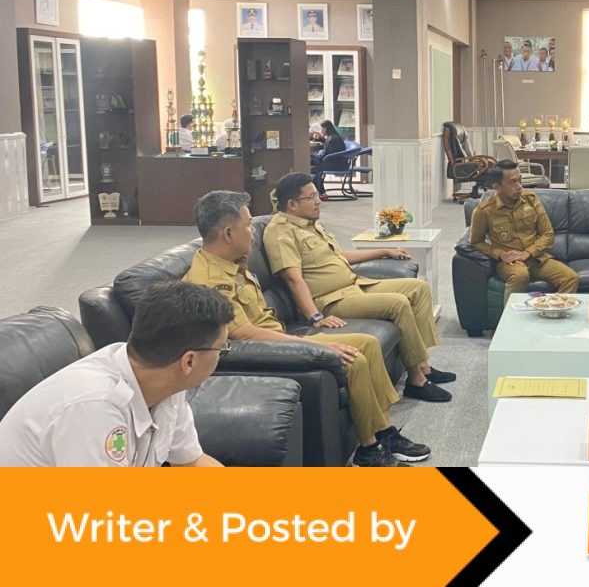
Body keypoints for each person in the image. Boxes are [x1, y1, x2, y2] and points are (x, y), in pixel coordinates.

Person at [184, 191, 428, 466]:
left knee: (368, 344)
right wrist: (317, 344)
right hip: (263, 347)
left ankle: (384, 431)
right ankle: (369, 450)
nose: (253, 232)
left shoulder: (233, 262)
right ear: (228, 233)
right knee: (352, 358)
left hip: (280, 335)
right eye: (248, 225)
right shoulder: (210, 281)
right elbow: (245, 333)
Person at [263, 173, 455, 403]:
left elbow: (339, 256)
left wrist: (384, 251)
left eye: (317, 195)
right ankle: (416, 380)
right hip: (331, 300)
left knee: (418, 287)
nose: (318, 201)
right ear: (292, 204)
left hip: (355, 284)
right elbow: (293, 279)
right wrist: (315, 317)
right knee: (398, 304)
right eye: (311, 197)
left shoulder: (312, 224)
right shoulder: (280, 232)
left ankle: (424, 367)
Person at [0, 282, 229, 467]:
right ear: (189, 361)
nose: (222, 354)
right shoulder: (94, 407)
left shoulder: (168, 387)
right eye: (222, 348)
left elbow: (192, 462)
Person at [469, 160, 579, 305]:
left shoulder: (531, 200)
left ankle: (553, 311)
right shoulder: (484, 211)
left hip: (536, 258)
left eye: (520, 180)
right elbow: (476, 242)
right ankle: (510, 318)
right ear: (497, 187)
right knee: (520, 276)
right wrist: (499, 254)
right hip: (510, 262)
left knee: (571, 278)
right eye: (512, 182)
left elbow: (548, 234)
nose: (519, 186)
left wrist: (528, 253)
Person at [311, 120, 348, 200]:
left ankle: (321, 192)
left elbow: (329, 153)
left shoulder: (333, 139)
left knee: (313, 169)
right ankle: (321, 192)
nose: (320, 131)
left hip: (337, 164)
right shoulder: (333, 137)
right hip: (337, 162)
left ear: (325, 129)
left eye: (321, 129)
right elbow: (329, 149)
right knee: (313, 165)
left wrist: (318, 157)